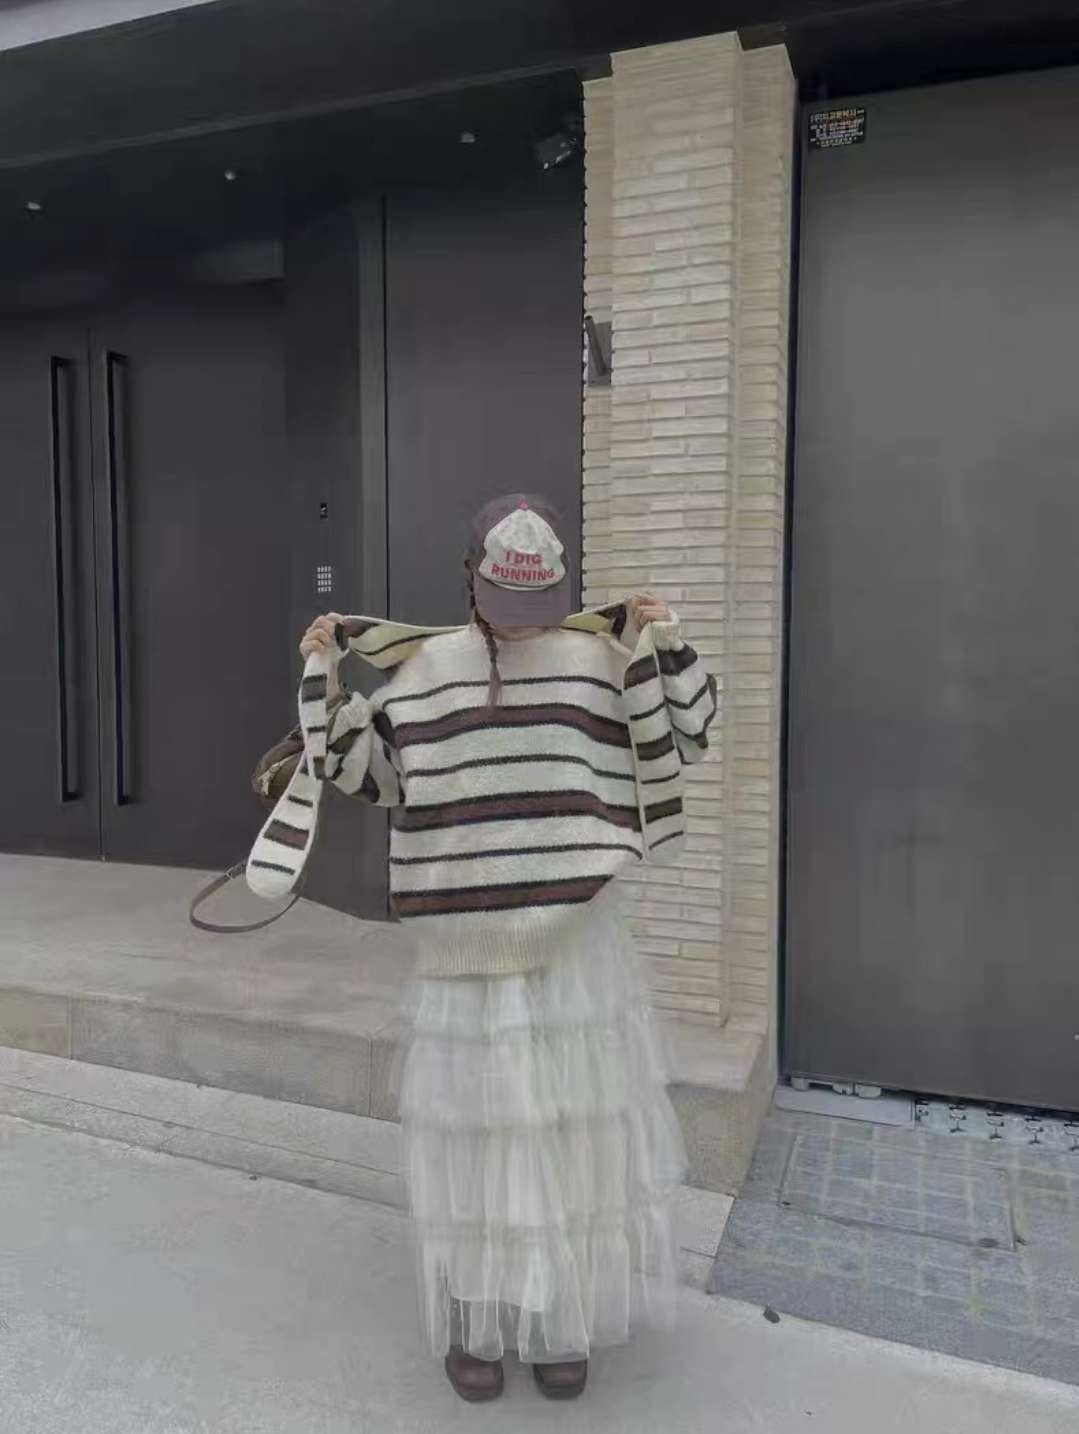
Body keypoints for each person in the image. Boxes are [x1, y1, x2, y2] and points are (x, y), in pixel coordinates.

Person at [297, 494, 717, 1402]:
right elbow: (372, 777)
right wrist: (325, 681)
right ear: (471, 579)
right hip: (467, 947)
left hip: (573, 941)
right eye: (506, 600)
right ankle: (480, 1317)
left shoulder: (596, 659)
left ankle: (560, 1316)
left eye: (536, 601)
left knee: (568, 1133)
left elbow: (687, 735)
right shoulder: (425, 671)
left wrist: (665, 641)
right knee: (483, 1135)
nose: (522, 621)